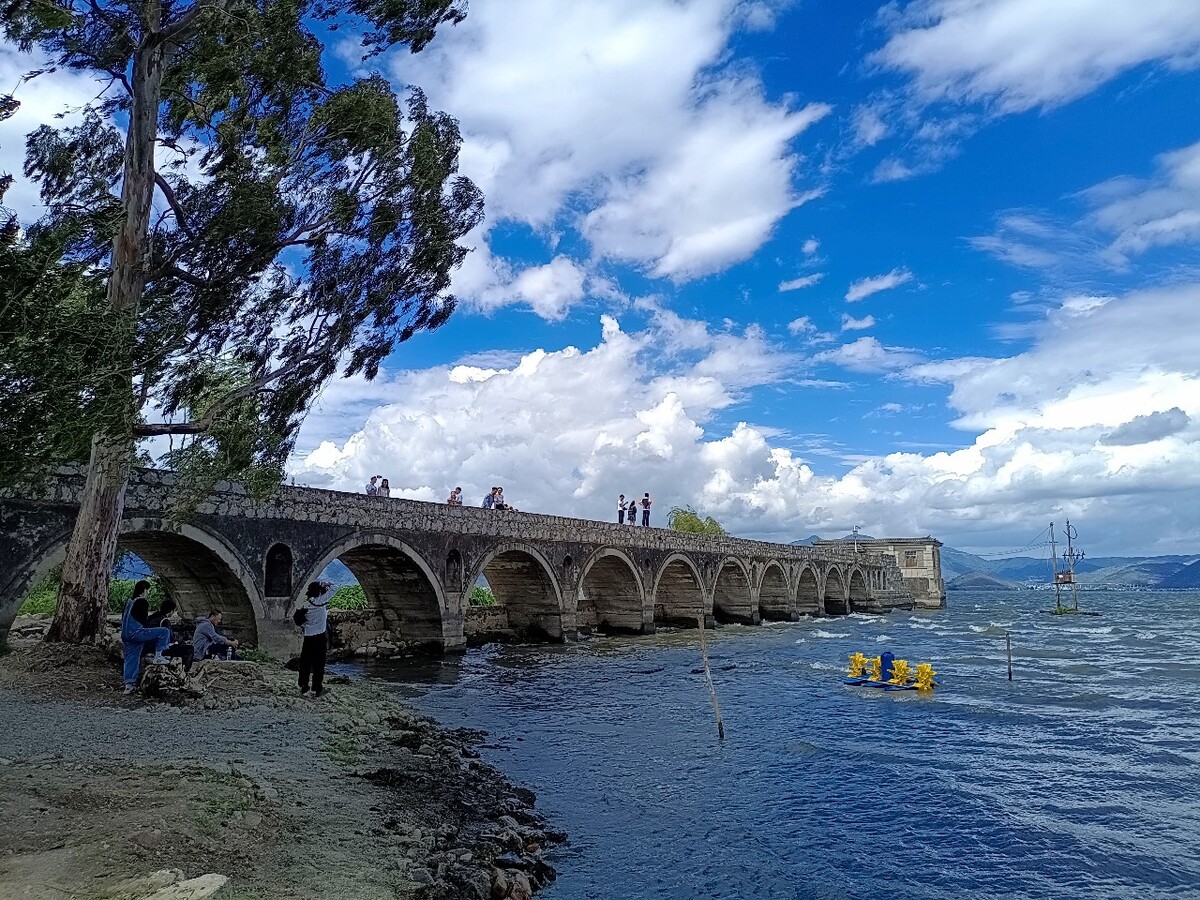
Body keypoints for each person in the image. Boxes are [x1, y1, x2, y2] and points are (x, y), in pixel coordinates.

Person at [121, 580, 172, 694]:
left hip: (125, 634)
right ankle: (159, 655)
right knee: (164, 632)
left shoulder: (129, 601)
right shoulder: (142, 602)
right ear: (144, 590)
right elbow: (144, 620)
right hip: (136, 632)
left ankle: (129, 685)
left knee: (131, 659)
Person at [298, 581, 332, 698]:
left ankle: (303, 686)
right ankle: (317, 688)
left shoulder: (306, 604)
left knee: (305, 663)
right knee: (319, 664)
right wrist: (325, 584)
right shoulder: (321, 602)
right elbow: (334, 588)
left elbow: (300, 620)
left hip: (308, 637)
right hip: (319, 637)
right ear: (319, 591)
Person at [144, 597, 195, 672]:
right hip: (158, 649)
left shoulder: (152, 618)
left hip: (147, 647)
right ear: (171, 611)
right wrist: (179, 641)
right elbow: (170, 638)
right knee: (189, 649)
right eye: (174, 611)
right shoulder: (164, 621)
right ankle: (184, 670)